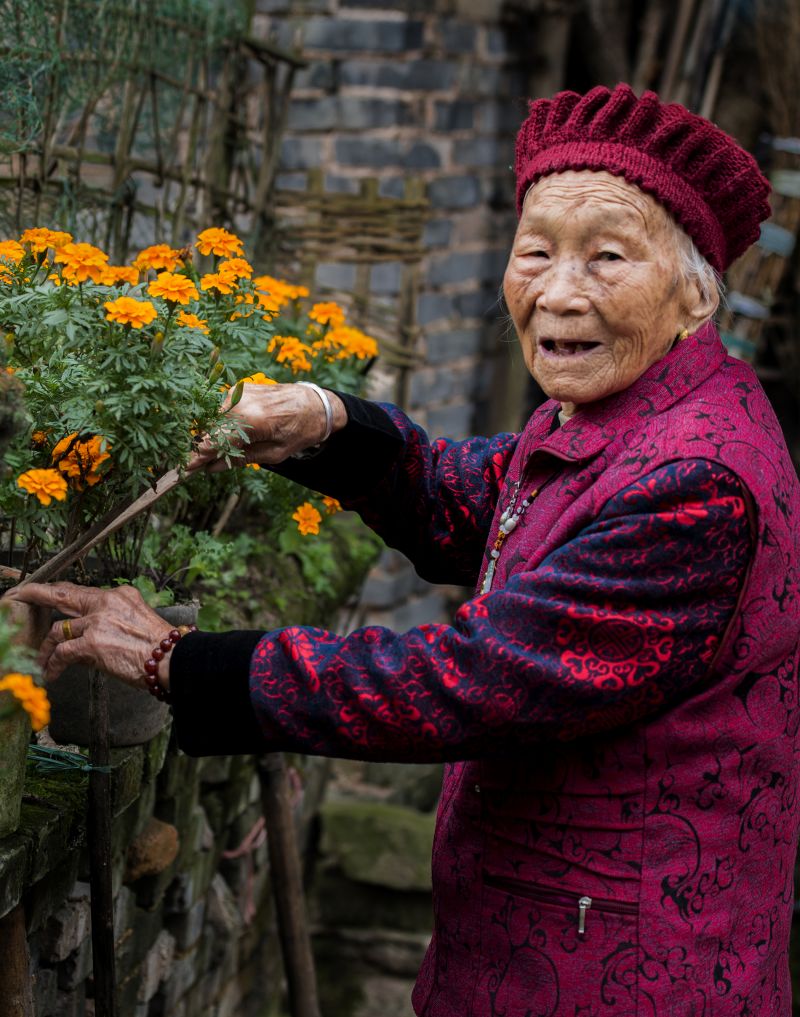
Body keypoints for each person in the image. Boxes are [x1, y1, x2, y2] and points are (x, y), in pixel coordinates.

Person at [11, 84, 800, 1016]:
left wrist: (177, 661)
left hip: (616, 971)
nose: (557, 290)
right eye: (537, 250)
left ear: (694, 295)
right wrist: (328, 424)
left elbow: (474, 679)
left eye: (609, 257)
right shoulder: (634, 407)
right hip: (547, 934)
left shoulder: (698, 477)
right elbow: (488, 498)